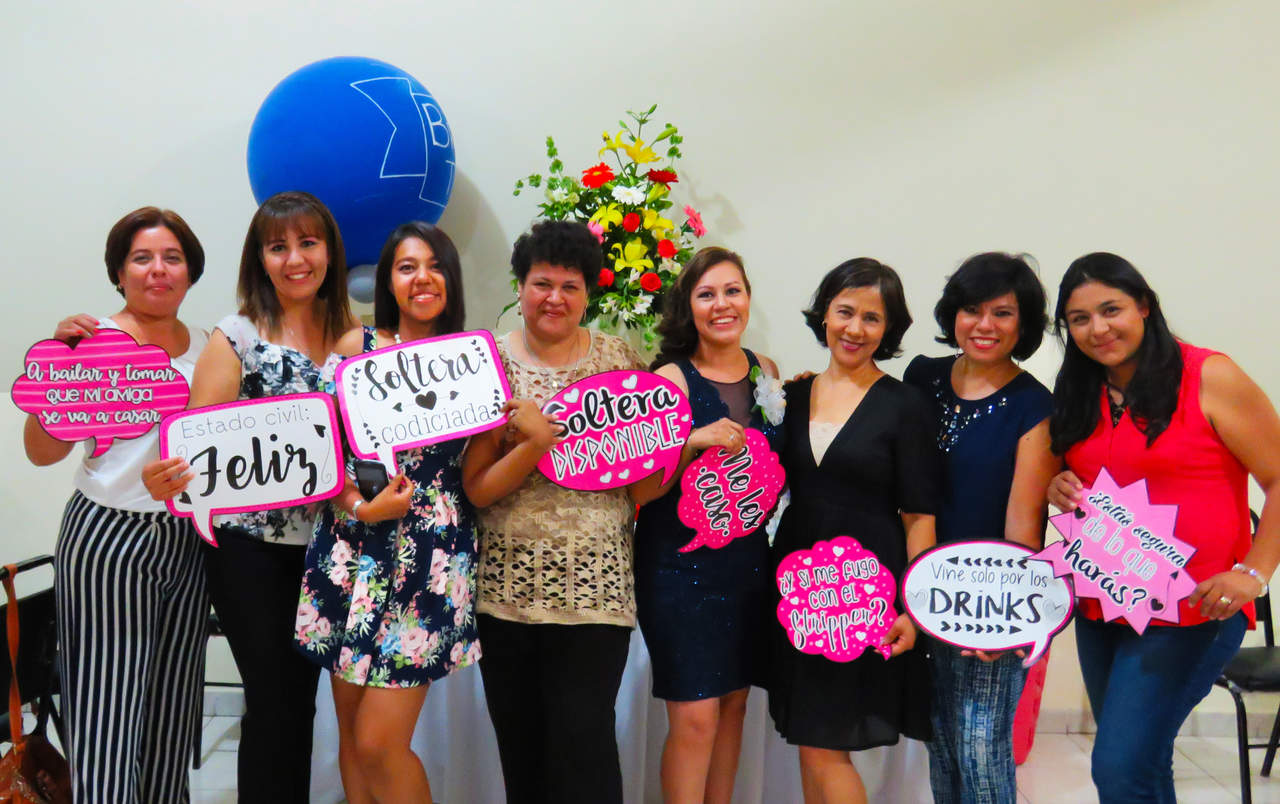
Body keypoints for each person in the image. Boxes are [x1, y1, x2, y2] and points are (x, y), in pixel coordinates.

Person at [143, 191, 361, 802]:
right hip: (249, 551)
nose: (295, 259)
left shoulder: (356, 337)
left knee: (304, 702)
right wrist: (169, 478)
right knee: (272, 700)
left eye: (308, 243)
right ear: (259, 259)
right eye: (277, 247)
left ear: (330, 252)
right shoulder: (236, 335)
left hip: (332, 548)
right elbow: (194, 448)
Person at [1046, 252, 1280, 804]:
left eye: (1111, 310)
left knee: (1120, 767)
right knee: (1143, 765)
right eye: (1079, 319)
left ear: (1144, 306)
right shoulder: (1081, 389)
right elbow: (1091, 472)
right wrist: (1057, 482)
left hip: (1194, 609)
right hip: (1104, 605)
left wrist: (1254, 572)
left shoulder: (1209, 375)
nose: (1098, 329)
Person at [22, 207, 209, 803]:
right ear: (119, 272)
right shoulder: (91, 341)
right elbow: (40, 452)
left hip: (187, 538)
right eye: (142, 258)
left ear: (190, 270)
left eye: (172, 258)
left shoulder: (211, 347)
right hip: (108, 535)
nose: (159, 270)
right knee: (106, 706)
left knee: (172, 703)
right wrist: (59, 367)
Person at [461, 220, 646, 804]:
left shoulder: (619, 360)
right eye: (542, 284)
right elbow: (478, 490)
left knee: (585, 747)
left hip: (598, 592)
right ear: (519, 287)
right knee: (523, 752)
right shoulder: (489, 365)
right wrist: (536, 445)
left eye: (570, 286)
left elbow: (644, 483)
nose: (554, 299)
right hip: (505, 592)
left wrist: (682, 447)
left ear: (589, 294)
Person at [294, 222, 479, 804]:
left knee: (380, 742)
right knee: (351, 734)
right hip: (350, 549)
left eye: (435, 265)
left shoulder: (471, 358)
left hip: (431, 557)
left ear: (451, 278)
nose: (422, 277)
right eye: (406, 266)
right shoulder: (357, 348)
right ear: (387, 282)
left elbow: (481, 467)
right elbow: (321, 451)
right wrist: (360, 506)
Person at [768, 258, 937, 804]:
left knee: (825, 744)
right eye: (845, 312)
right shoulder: (791, 396)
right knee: (810, 737)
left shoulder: (906, 405)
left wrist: (914, 608)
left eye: (872, 318)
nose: (855, 328)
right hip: (797, 590)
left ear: (888, 330)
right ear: (824, 314)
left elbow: (919, 516)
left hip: (865, 594)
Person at [629, 246, 782, 804]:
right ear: (688, 307)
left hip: (748, 564)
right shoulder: (668, 378)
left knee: (735, 705)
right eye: (707, 294)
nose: (722, 304)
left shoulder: (767, 371)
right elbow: (640, 492)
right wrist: (691, 441)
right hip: (677, 569)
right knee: (694, 717)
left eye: (732, 291)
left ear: (748, 298)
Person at [903, 252, 1057, 804]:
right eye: (972, 309)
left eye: (1003, 313)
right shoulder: (922, 376)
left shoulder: (1034, 406)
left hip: (986, 603)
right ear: (953, 315)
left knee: (981, 746)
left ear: (1024, 323)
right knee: (941, 740)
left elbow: (1023, 528)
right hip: (919, 589)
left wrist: (1006, 622)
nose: (984, 325)